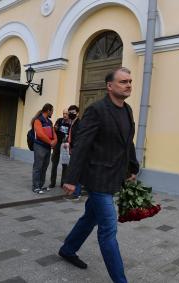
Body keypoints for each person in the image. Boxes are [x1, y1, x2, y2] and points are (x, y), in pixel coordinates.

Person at [59, 67, 139, 283]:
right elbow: (82, 145)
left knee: (89, 218)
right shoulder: (97, 110)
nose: (129, 85)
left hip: (115, 176)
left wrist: (132, 168)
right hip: (97, 178)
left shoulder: (128, 110)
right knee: (108, 229)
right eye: (123, 82)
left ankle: (68, 249)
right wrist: (71, 179)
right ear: (110, 86)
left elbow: (127, 142)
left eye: (130, 81)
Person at [31, 103, 57, 194]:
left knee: (44, 167)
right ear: (48, 110)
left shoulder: (49, 122)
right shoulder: (38, 120)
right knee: (38, 167)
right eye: (52, 111)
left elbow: (53, 133)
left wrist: (55, 141)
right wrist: (50, 142)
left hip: (47, 147)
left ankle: (41, 185)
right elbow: (40, 134)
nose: (53, 113)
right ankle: (36, 187)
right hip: (40, 146)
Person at [61, 105, 82, 200]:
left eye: (73, 112)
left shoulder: (79, 123)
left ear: (77, 113)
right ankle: (77, 192)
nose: (71, 114)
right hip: (72, 149)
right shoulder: (72, 123)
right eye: (70, 112)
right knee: (75, 170)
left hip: (76, 150)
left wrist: (71, 146)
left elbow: (78, 138)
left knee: (75, 171)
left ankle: (76, 194)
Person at [49, 108, 71, 188]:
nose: (65, 115)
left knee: (65, 164)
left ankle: (63, 183)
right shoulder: (59, 121)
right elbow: (54, 130)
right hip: (57, 144)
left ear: (69, 115)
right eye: (64, 113)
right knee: (54, 163)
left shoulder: (71, 123)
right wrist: (55, 128)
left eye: (66, 114)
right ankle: (52, 183)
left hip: (65, 145)